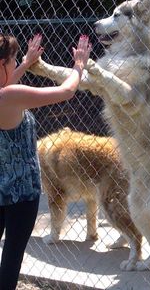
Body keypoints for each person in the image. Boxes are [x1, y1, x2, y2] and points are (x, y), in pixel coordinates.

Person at [0, 33, 91, 290]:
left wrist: (25, 63)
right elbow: (66, 90)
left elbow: (5, 89)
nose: (13, 65)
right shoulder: (11, 97)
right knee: (10, 262)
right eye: (12, 61)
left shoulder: (6, 96)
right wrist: (79, 65)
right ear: (2, 63)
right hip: (21, 195)